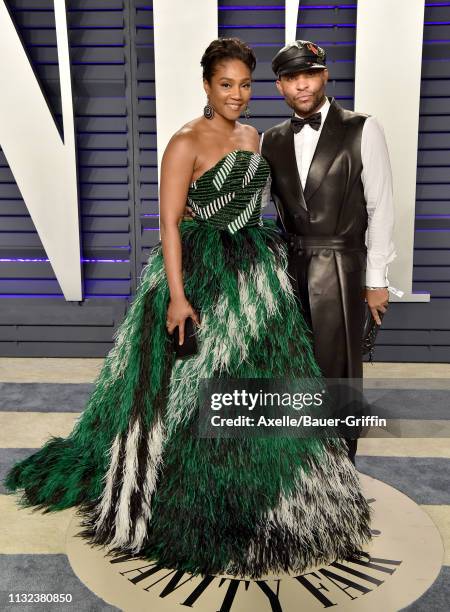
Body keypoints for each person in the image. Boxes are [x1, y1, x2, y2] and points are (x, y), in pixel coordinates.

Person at [3, 38, 371, 579]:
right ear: (206, 85)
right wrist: (178, 295)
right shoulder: (185, 141)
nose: (237, 95)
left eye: (245, 85)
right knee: (191, 394)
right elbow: (169, 225)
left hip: (254, 275)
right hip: (199, 273)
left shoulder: (254, 136)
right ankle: (188, 498)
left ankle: (274, 494)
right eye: (226, 84)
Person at [260, 40, 396, 463]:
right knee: (293, 371)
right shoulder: (271, 140)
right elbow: (260, 205)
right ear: (280, 86)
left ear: (324, 76)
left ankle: (341, 473)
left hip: (344, 266)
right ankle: (300, 476)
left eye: (309, 74)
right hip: (290, 268)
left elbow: (382, 206)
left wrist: (377, 281)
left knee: (338, 373)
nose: (301, 85)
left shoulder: (362, 128)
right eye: (290, 78)